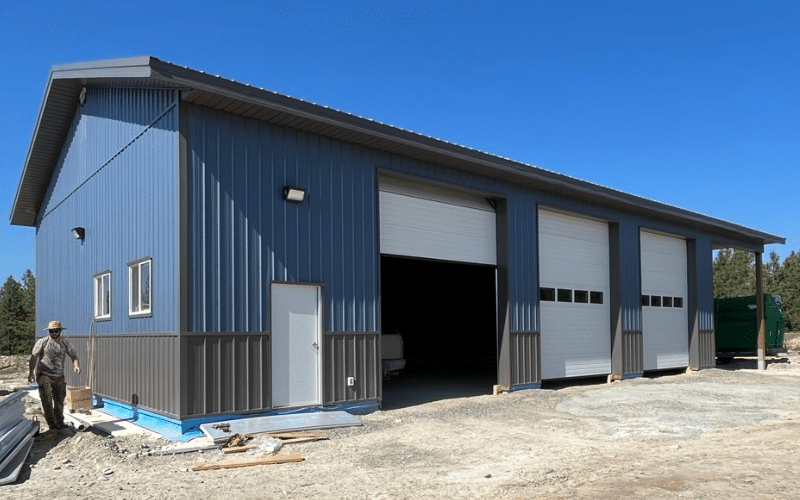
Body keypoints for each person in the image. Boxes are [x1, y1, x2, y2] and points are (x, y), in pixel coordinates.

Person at [28, 320, 81, 431]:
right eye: (51, 331)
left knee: (59, 400)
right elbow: (33, 357)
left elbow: (74, 356)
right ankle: (52, 425)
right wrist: (31, 373)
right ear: (49, 331)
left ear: (60, 331)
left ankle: (60, 423)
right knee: (47, 398)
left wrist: (76, 366)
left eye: (56, 331)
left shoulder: (65, 343)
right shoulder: (42, 342)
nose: (54, 333)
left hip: (59, 376)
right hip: (44, 374)